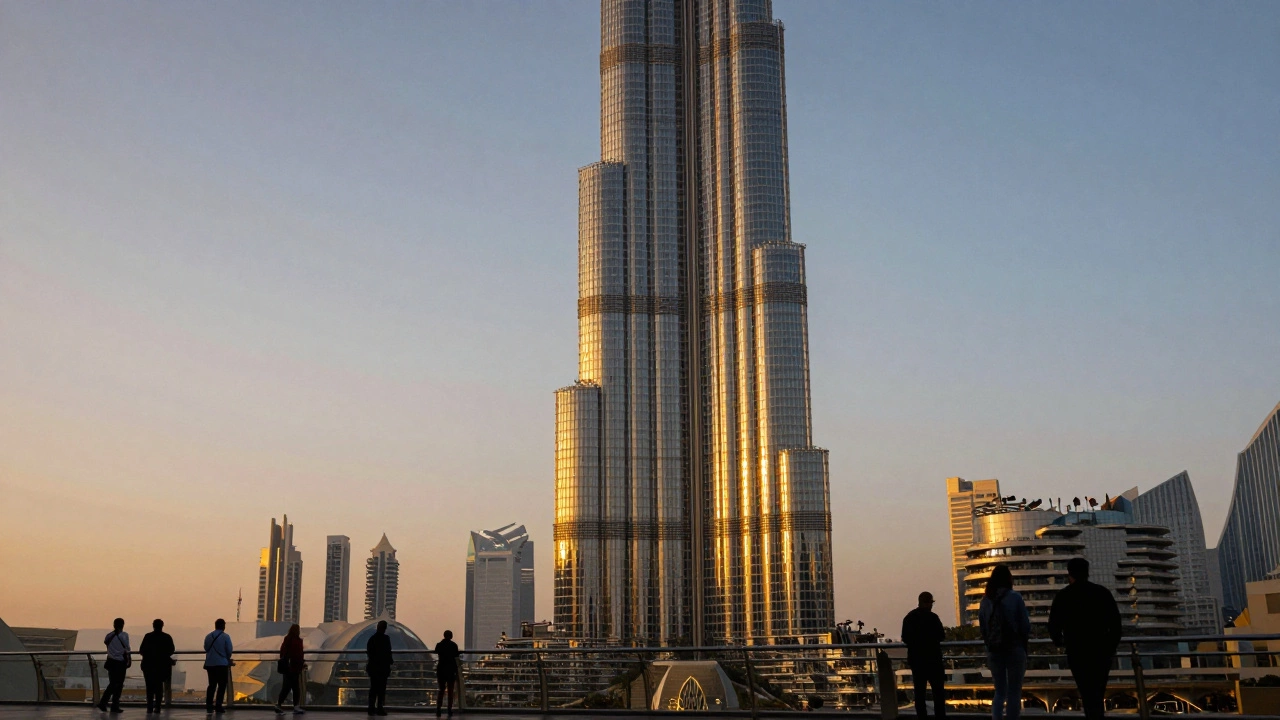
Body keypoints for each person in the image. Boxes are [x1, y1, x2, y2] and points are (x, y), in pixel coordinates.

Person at [1049, 557, 1122, 720]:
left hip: (1077, 651)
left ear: (1069, 573)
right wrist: (1110, 646)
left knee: (1086, 691)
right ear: (1087, 572)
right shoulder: (1102, 593)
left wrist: (1060, 642)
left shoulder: (1063, 596)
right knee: (1098, 691)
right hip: (1101, 651)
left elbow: (1053, 626)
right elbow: (1116, 625)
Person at [979, 565, 1031, 720]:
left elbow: (983, 627)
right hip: (1014, 648)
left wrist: (989, 642)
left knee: (1000, 691)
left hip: (994, 650)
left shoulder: (985, 600)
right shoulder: (1015, 597)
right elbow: (1025, 625)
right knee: (1014, 691)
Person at [902, 591, 947, 720]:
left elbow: (905, 637)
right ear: (928, 603)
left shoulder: (909, 617)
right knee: (938, 693)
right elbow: (941, 636)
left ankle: (922, 717)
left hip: (917, 661)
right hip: (934, 660)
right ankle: (940, 717)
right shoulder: (933, 618)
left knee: (919, 693)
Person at [139, 619, 175, 714]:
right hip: (161, 666)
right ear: (162, 625)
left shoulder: (148, 637)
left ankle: (149, 707)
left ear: (153, 625)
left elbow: (141, 650)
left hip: (148, 666)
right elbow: (171, 650)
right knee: (159, 687)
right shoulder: (167, 637)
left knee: (149, 687)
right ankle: (157, 707)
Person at [98, 618, 131, 713]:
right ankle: (113, 705)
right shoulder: (124, 635)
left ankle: (104, 703)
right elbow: (127, 648)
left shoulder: (109, 636)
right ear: (123, 625)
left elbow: (106, 643)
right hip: (120, 663)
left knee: (112, 683)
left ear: (114, 625)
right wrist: (129, 660)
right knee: (119, 684)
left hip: (111, 662)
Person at [203, 618, 234, 714]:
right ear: (223, 626)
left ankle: (209, 705)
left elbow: (205, 648)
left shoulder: (208, 636)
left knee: (211, 685)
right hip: (222, 664)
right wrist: (226, 657)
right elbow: (229, 650)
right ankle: (218, 705)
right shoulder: (226, 637)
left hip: (210, 663)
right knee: (222, 685)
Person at [274, 624, 306, 715]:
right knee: (295, 688)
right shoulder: (298, 641)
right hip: (295, 668)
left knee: (286, 687)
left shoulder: (287, 639)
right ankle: (295, 706)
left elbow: (282, 651)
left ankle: (279, 705)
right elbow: (299, 654)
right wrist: (302, 663)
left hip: (287, 667)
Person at [365, 620, 393, 716]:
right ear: (384, 629)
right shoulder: (386, 639)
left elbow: (369, 652)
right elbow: (388, 652)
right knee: (381, 689)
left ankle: (371, 708)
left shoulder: (372, 639)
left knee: (373, 688)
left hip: (374, 668)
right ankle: (379, 708)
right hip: (383, 668)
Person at [433, 630, 460, 718]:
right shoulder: (454, 645)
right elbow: (456, 656)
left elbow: (436, 651)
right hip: (451, 670)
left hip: (441, 669)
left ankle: (438, 709)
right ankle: (449, 709)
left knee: (441, 690)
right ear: (451, 636)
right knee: (450, 691)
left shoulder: (439, 645)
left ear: (444, 635)